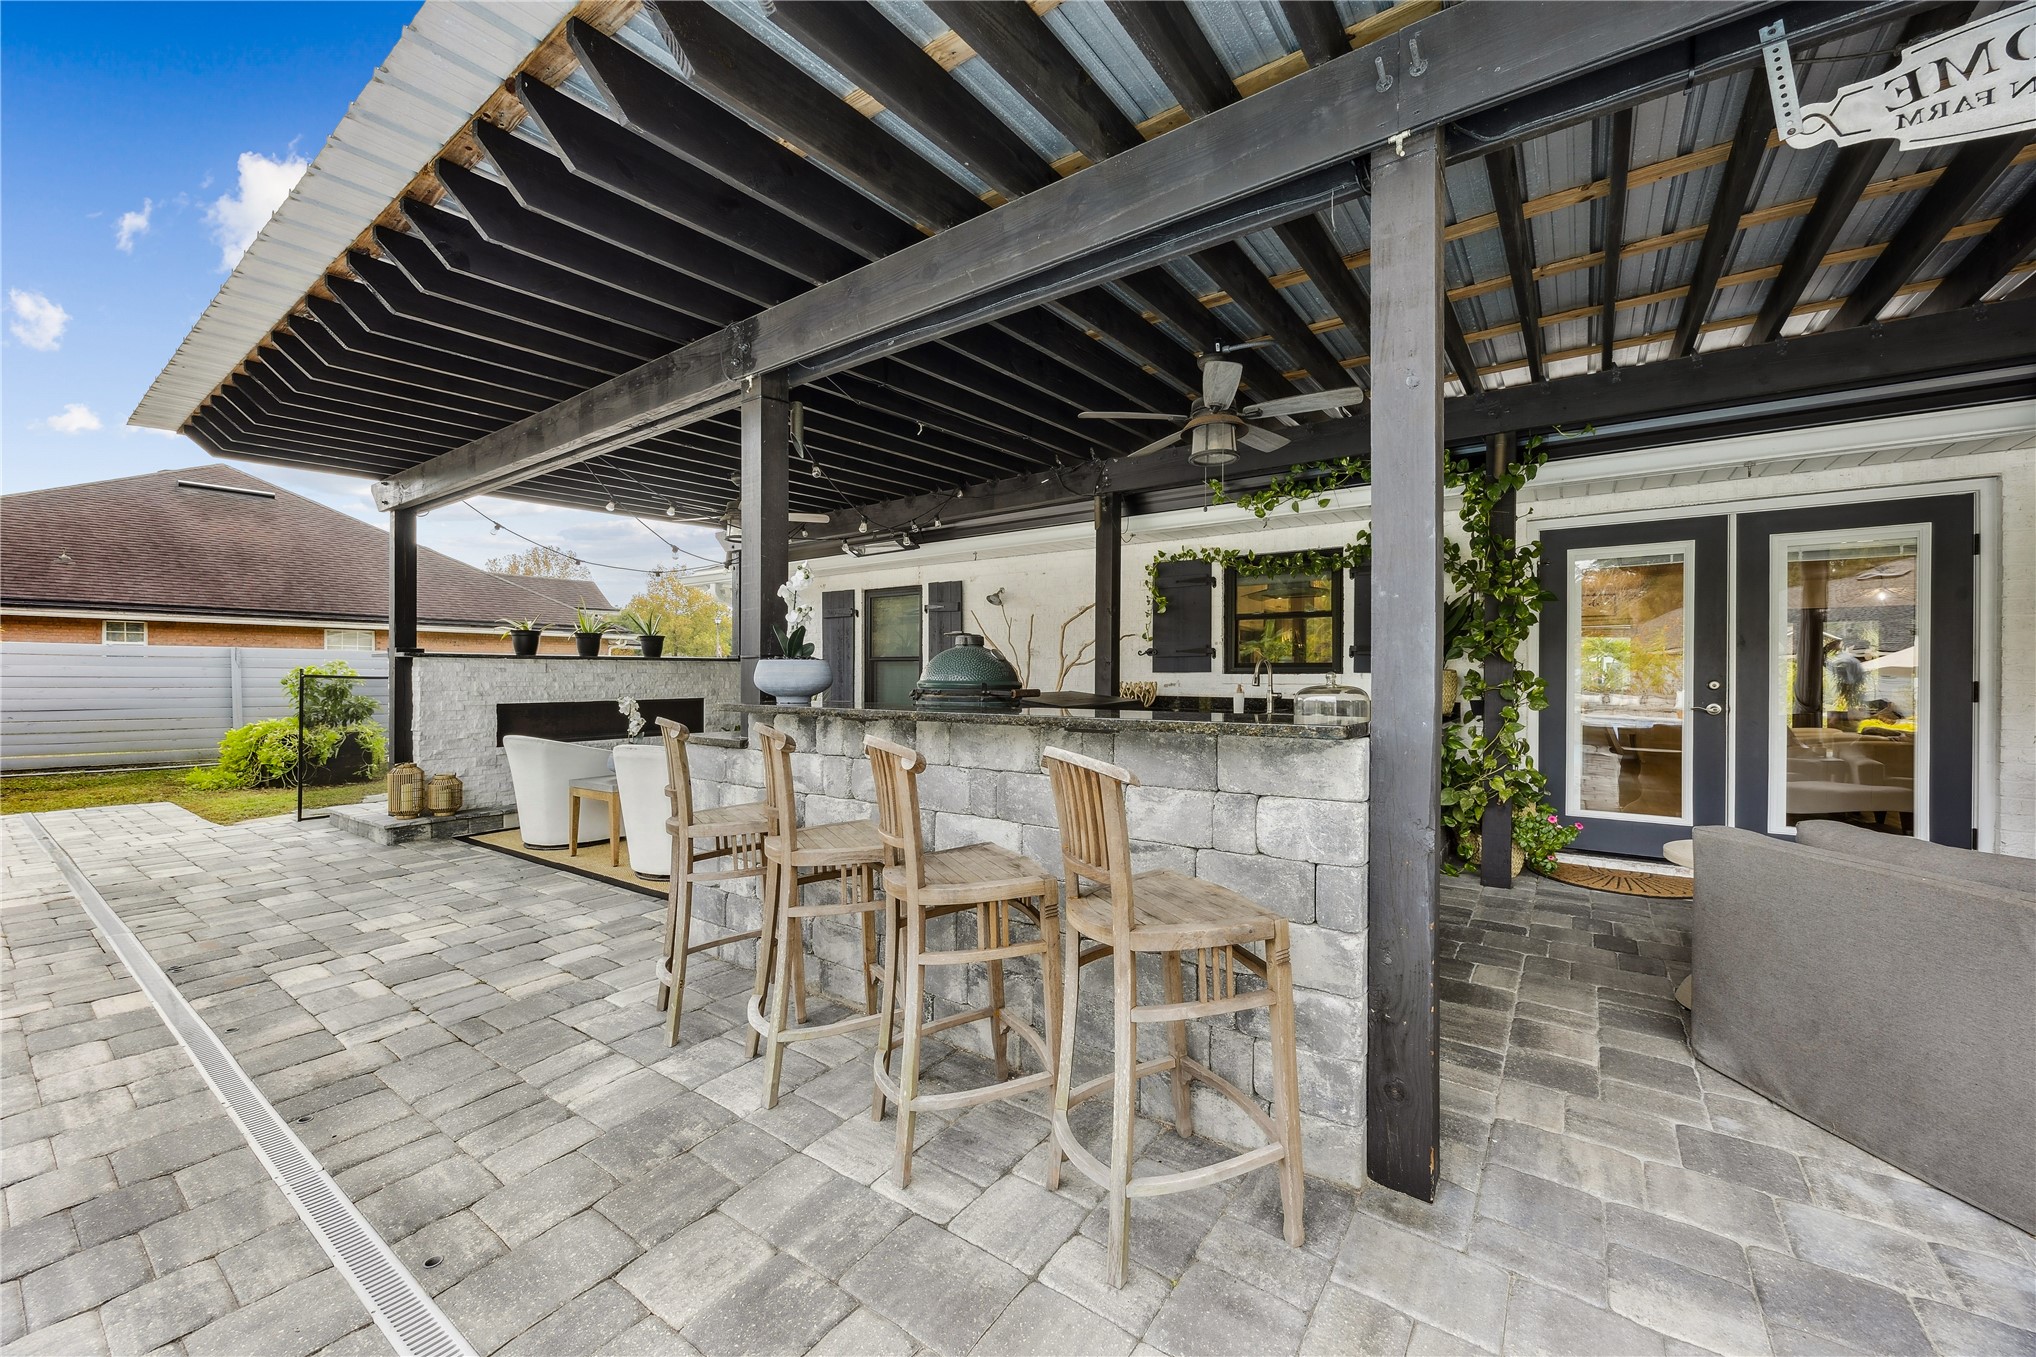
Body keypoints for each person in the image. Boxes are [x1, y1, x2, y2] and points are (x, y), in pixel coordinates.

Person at [1824, 638, 1866, 727]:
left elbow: (1833, 668)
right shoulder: (1851, 661)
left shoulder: (1848, 660)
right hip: (1850, 693)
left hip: (1849, 692)